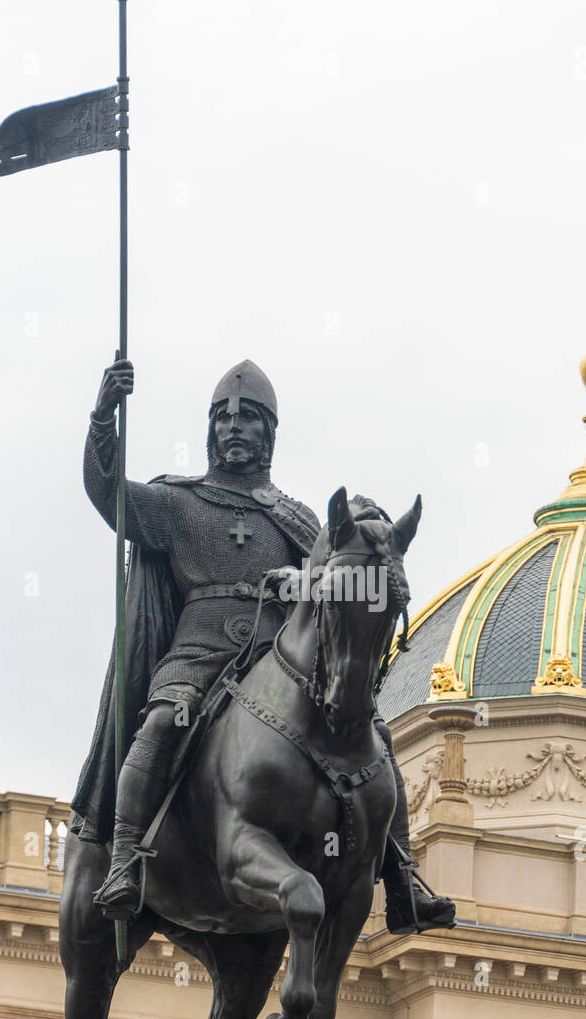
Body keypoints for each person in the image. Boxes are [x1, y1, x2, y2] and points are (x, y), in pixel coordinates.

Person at [71, 357, 455, 937]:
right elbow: (108, 494)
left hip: (276, 658)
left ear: (268, 434)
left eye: (248, 419)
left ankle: (402, 877)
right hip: (199, 653)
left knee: (374, 738)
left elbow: (342, 580)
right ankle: (126, 859)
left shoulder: (298, 519)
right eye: (223, 419)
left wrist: (311, 574)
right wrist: (104, 417)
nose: (233, 428)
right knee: (160, 725)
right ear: (209, 431)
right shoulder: (177, 501)